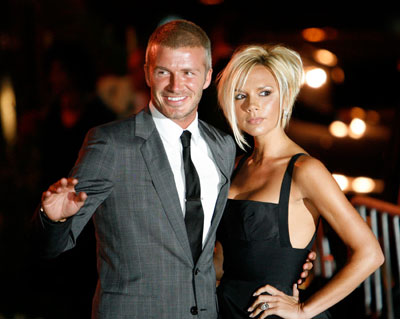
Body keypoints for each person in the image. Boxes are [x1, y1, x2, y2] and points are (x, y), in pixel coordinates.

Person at [33, 21, 314, 319]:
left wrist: (290, 261)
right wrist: (53, 217)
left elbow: (221, 245)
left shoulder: (223, 146)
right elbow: (51, 246)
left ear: (207, 77)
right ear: (147, 74)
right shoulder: (110, 144)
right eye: (163, 72)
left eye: (188, 73)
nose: (176, 86)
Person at [214, 44, 384, 319]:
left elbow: (370, 254)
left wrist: (305, 310)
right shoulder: (237, 165)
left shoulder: (306, 170)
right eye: (240, 95)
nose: (252, 105)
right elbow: (224, 259)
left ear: (286, 96)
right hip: (226, 310)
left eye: (265, 93)